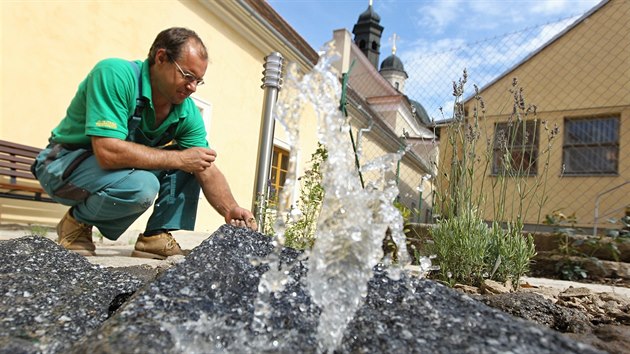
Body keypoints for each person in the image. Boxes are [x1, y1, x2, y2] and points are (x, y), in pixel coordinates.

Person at [32, 27, 257, 259]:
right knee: (143, 186)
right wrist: (179, 158)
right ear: (161, 58)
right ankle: (76, 223)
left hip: (113, 171)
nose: (192, 88)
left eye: (198, 81)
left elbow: (205, 166)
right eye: (187, 76)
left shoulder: (186, 111)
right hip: (61, 166)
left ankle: (154, 237)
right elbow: (107, 152)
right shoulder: (115, 75)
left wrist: (230, 208)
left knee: (195, 161)